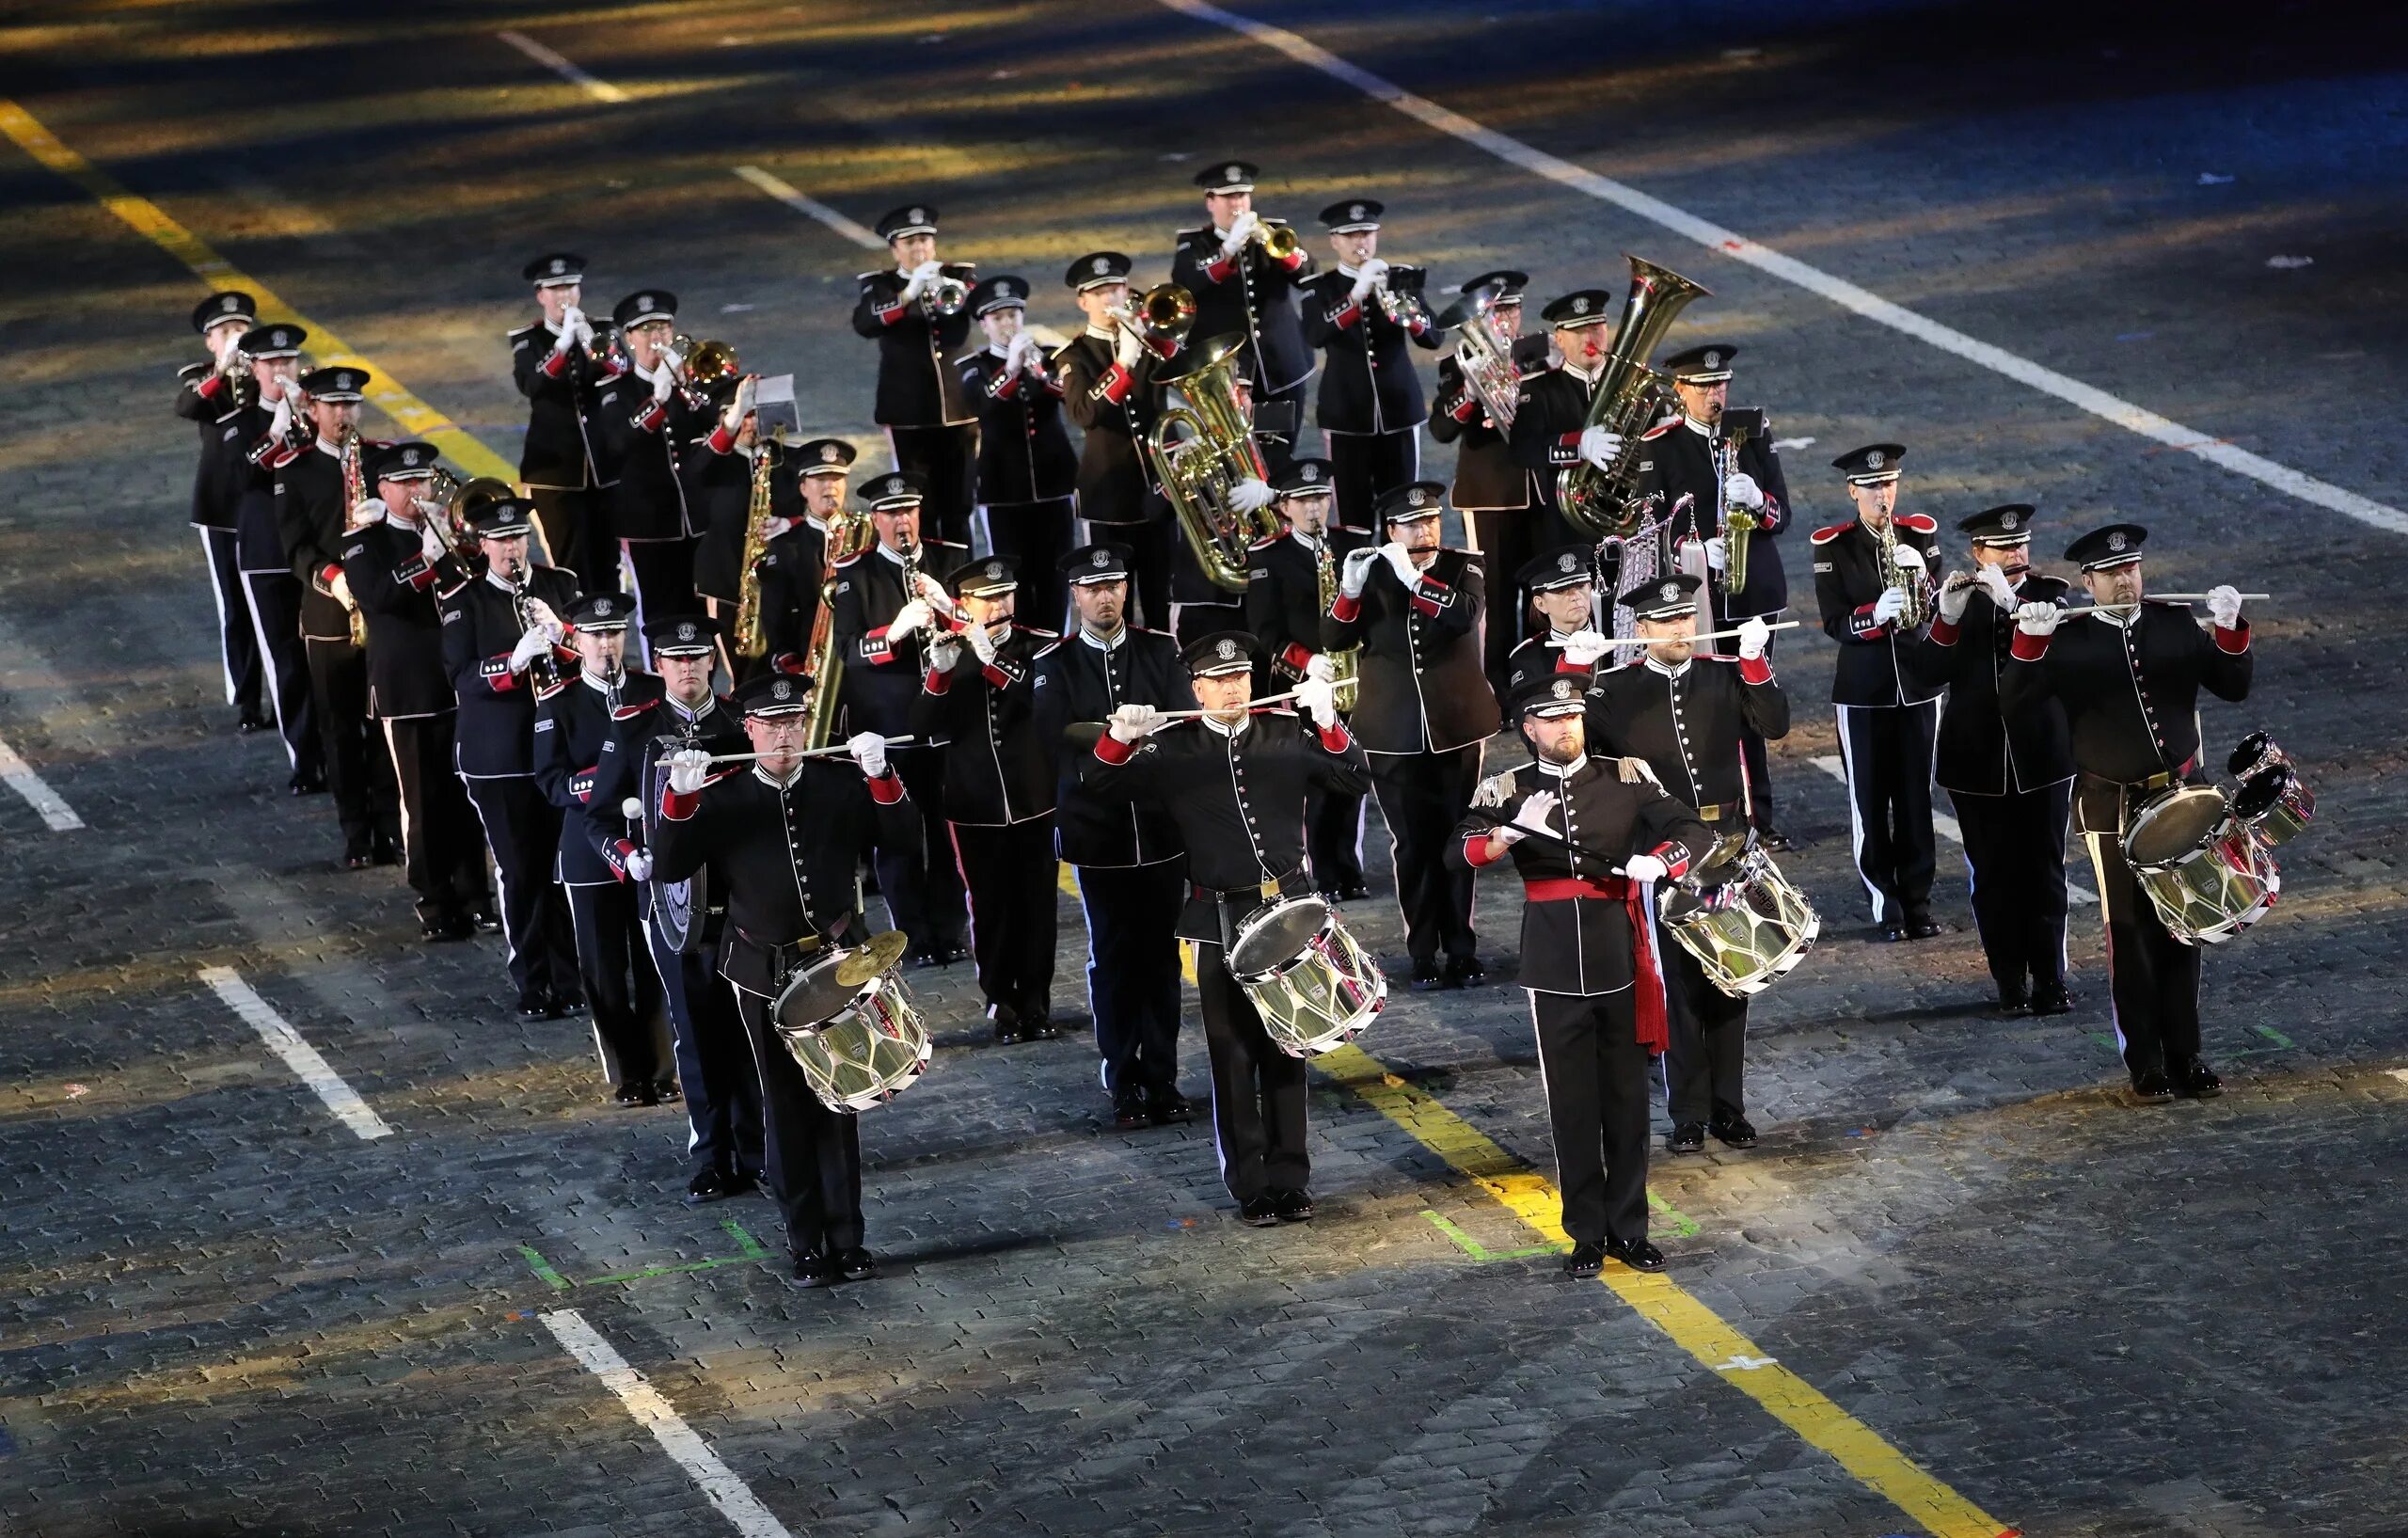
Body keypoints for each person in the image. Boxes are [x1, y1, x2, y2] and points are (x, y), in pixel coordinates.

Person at [1083, 632, 1366, 1225]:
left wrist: (1328, 721)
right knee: (1232, 1054)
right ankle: (1251, 1183)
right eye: (1218, 680)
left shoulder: (1285, 733)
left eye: (1239, 677)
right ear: (1197, 688)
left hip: (1289, 908)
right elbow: (1099, 790)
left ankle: (1291, 1176)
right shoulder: (1174, 749)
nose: (1232, 687)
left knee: (1291, 1046)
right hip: (1220, 917)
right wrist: (1119, 739)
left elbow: (1351, 780)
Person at [654, 676, 921, 1286]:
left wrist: (882, 776)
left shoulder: (834, 783)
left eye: (793, 723)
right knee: (785, 1106)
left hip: (837, 964)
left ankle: (848, 1237)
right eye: (770, 725)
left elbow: (904, 841)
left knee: (839, 1102)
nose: (783, 736)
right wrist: (679, 798)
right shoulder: (723, 797)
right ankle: (805, 1242)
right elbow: (669, 865)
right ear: (748, 730)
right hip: (760, 971)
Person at [1455, 673, 1713, 1276]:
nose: (1567, 727)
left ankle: (1630, 1227)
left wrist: (1661, 861)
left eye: (1572, 716)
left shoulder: (1623, 779)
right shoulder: (1508, 791)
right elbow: (1459, 851)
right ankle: (1586, 1233)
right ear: (1530, 729)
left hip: (1617, 956)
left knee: (1626, 1101)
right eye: (1552, 719)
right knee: (1572, 1107)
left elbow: (1693, 831)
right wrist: (1510, 833)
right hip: (1549, 966)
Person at [2000, 525, 2252, 1103]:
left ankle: (2186, 1055)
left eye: (2132, 569)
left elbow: (2233, 684)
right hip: (2113, 806)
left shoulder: (2172, 623)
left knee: (2185, 926)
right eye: (2112, 574)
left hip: (2182, 799)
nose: (2125, 581)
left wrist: (2231, 630)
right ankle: (2146, 1062)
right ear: (2088, 582)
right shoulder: (2070, 639)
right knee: (2130, 934)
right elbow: (2014, 705)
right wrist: (2028, 645)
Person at [1584, 575, 1788, 1152]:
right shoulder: (1616, 690)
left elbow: (1775, 724)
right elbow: (1554, 739)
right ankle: (1688, 1114)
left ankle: (1729, 1107)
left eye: (1686, 618)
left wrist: (1755, 663)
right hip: (1662, 852)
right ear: (1641, 630)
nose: (1680, 629)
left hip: (1725, 849)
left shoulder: (1724, 671)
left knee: (1732, 979)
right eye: (1666, 622)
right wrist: (1577, 674)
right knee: (1676, 988)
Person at [586, 613, 765, 1204]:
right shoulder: (634, 729)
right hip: (669, 905)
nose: (688, 667)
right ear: (657, 664)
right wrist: (627, 856)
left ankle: (758, 1147)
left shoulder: (744, 725)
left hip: (739, 901)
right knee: (692, 1030)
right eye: (675, 658)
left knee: (745, 1027)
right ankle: (713, 1153)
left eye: (697, 657)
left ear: (712, 661)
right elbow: (601, 817)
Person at [1032, 544, 1197, 1127]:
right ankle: (1124, 1076)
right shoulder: (1055, 666)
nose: (1105, 596)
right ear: (1075, 595)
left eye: (1115, 586)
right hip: (1099, 839)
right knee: (1114, 961)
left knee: (1162, 961)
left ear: (1126, 590)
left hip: (1159, 834)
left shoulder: (1160, 651)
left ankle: (1164, 1077)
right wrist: (1120, 737)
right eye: (1093, 587)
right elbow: (1055, 742)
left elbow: (1182, 727)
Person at [1323, 483, 1500, 991]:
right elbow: (1334, 639)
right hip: (1391, 729)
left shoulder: (1463, 565)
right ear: (1391, 531)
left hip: (1456, 725)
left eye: (1431, 522)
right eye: (1412, 525)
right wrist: (1350, 592)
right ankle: (1422, 950)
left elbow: (1462, 617)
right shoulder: (1374, 573)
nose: (1425, 532)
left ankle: (1461, 948)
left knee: (1458, 836)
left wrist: (1416, 582)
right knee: (1412, 846)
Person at [1914, 505, 2077, 1015]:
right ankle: (2010, 981)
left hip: (2041, 760)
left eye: (2022, 545)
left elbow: (2057, 663)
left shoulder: (2050, 595)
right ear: (1978, 553)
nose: (2017, 554)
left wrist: (2013, 606)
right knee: (1993, 876)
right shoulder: (1959, 602)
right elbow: (1926, 674)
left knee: (2046, 871)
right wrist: (1946, 619)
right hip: (1977, 763)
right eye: (2005, 548)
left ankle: (2050, 979)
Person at [1636, 343, 1796, 848]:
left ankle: (1761, 819)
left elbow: (1782, 516)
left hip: (1754, 593)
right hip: (1698, 598)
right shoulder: (1661, 445)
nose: (1715, 395)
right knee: (1705, 705)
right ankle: (1708, 815)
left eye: (1721, 385)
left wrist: (1759, 500)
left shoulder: (1752, 433)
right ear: (1680, 391)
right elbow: (1649, 532)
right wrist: (1698, 550)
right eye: (1704, 387)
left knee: (1754, 701)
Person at [340, 442, 491, 940]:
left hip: (457, 685)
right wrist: (428, 559)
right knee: (423, 803)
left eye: (422, 481)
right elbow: (379, 597)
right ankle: (435, 899)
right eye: (405, 484)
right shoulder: (365, 543)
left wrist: (457, 547)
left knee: (469, 796)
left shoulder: (449, 536)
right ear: (383, 490)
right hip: (408, 691)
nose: (416, 491)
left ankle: (477, 895)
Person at [440, 498, 582, 1019]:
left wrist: (564, 634)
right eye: (500, 541)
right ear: (483, 547)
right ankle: (532, 979)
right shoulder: (464, 601)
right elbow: (461, 677)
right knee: (521, 871)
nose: (511, 549)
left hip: (560, 749)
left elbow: (596, 657)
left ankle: (571, 977)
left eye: (518, 538)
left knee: (563, 868)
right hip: (500, 756)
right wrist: (514, 659)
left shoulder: (559, 586)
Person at [534, 591, 677, 1104]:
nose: (606, 644)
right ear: (578, 639)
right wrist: (609, 782)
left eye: (614, 633)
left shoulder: (651, 690)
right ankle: (627, 1072)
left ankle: (663, 1067)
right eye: (596, 635)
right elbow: (551, 782)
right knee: (602, 968)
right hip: (591, 850)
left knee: (656, 961)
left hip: (651, 842)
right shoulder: (560, 701)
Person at [913, 557, 1062, 1041]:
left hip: (1033, 798)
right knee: (991, 905)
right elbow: (924, 727)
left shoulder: (1037, 646)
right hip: (973, 803)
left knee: (1037, 904)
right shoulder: (952, 650)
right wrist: (938, 674)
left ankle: (1037, 1001)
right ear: (967, 604)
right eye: (988, 599)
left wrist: (992, 659)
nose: (1000, 605)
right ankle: (1002, 999)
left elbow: (1038, 705)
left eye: (1006, 596)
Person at [828, 471, 969, 966]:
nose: (902, 522)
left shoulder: (951, 558)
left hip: (948, 718)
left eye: (908, 511)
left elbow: (983, 630)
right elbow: (846, 649)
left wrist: (949, 609)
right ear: (875, 520)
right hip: (890, 723)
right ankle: (911, 934)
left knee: (950, 832)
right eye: (891, 514)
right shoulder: (854, 573)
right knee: (899, 837)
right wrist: (892, 632)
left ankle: (953, 929)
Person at [1813, 443, 1942, 939]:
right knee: (1869, 802)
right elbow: (1833, 621)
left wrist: (1923, 580)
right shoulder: (1833, 547)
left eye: (1887, 484)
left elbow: (1936, 610)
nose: (1881, 494)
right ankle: (1886, 904)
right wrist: (1873, 615)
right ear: (1852, 492)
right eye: (1870, 487)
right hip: (1863, 692)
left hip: (1917, 687)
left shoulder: (1918, 535)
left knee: (1915, 800)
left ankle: (1919, 901)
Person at [272, 364, 399, 868]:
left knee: (384, 727)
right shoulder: (295, 469)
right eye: (334, 406)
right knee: (341, 728)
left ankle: (391, 826)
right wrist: (335, 579)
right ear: (313, 410)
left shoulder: (381, 462)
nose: (344, 414)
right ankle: (356, 833)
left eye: (351, 405)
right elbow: (295, 548)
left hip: (383, 610)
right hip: (330, 615)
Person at [1244, 458, 1370, 901]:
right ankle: (1324, 871)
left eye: (1320, 498)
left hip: (1354, 678)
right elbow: (1264, 631)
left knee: (1353, 774)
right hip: (1306, 682)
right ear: (1285, 506)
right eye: (1304, 501)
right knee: (1317, 779)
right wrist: (1306, 661)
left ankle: (1350, 867)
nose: (1315, 509)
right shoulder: (1269, 556)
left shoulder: (1353, 544)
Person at [1429, 270, 1550, 698]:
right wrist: (1472, 393)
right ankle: (1498, 692)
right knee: (1495, 600)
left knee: (1547, 594)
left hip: (1542, 491)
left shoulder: (1541, 356)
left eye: (1511, 308)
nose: (1505, 318)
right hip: (1490, 496)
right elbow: (1441, 429)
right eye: (1496, 310)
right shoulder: (1456, 364)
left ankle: (1546, 684)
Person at [1054, 251, 1182, 629]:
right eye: (1100, 292)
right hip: (1109, 500)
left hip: (1160, 491)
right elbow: (1083, 413)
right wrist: (1123, 363)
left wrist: (1153, 340)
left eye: (1117, 288)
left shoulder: (1152, 343)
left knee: (1164, 597)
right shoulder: (1074, 356)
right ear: (1084, 301)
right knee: (1111, 608)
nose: (1111, 298)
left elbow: (1187, 373)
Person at [1295, 198, 1438, 532]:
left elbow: (1433, 337)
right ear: (1334, 240)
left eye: (1367, 233)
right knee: (1352, 518)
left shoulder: (1401, 279)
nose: (1360, 242)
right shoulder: (1320, 288)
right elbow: (1315, 334)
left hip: (1399, 411)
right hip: (1347, 416)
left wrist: (1408, 314)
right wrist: (1354, 297)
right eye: (1351, 235)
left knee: (1403, 514)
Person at [1169, 161, 1313, 477]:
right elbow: (1187, 282)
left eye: (1242, 196)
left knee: (1281, 458)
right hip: (1227, 373)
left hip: (1281, 369)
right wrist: (1227, 251)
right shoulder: (1194, 244)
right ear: (1210, 202)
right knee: (1234, 461)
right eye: (1228, 197)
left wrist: (1277, 249)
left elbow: (1306, 276)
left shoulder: (1273, 233)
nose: (1237, 204)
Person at [231, 322, 325, 792]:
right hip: (268, 556)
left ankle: (338, 752)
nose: (281, 370)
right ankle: (305, 759)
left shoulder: (317, 414)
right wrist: (279, 426)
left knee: (328, 658)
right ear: (254, 370)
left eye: (288, 361)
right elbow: (243, 478)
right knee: (286, 662)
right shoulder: (240, 423)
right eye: (271, 363)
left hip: (315, 553)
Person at [851, 203, 978, 546]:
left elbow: (983, 310)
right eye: (910, 242)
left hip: (959, 410)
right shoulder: (881, 285)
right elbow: (865, 323)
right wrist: (907, 294)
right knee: (921, 504)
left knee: (960, 504)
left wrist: (951, 286)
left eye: (924, 240)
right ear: (895, 250)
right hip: (909, 413)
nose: (919, 248)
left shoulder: (960, 275)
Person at [958, 276, 1077, 629]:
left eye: (1013, 315)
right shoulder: (973, 367)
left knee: (1057, 576)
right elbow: (984, 406)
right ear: (983, 325)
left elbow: (1069, 394)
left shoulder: (1046, 357)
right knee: (1011, 581)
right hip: (1002, 491)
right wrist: (1010, 368)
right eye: (998, 318)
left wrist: (1038, 367)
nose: (1008, 324)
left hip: (1054, 484)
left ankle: (1056, 646)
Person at [175, 290, 267, 732]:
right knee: (235, 606)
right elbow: (190, 407)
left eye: (241, 330)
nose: (234, 338)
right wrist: (223, 370)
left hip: (268, 503)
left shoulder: (266, 374)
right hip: (221, 510)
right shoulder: (200, 379)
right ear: (210, 342)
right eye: (225, 332)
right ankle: (248, 700)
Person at [592, 289, 706, 640]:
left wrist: (689, 390)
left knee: (706, 613)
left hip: (699, 519)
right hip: (650, 524)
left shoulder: (690, 381)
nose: (656, 338)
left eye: (663, 328)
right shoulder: (615, 389)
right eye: (646, 330)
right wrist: (657, 399)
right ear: (629, 338)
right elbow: (618, 442)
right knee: (660, 615)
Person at [681, 369, 801, 679]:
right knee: (743, 672)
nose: (751, 424)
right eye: (743, 416)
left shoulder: (789, 459)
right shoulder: (709, 457)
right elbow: (695, 473)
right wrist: (732, 419)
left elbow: (817, 510)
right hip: (726, 581)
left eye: (755, 414)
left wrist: (790, 522)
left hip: (781, 580)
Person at [508, 252, 612, 589]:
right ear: (540, 295)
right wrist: (564, 343)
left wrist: (585, 340)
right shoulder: (528, 340)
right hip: (554, 475)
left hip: (604, 469)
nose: (563, 296)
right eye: (555, 289)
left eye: (569, 287)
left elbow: (622, 374)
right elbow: (531, 384)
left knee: (607, 563)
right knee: (570, 567)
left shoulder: (602, 331)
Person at [1506, 290, 1624, 553]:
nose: (1589, 338)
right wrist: (1578, 445)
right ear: (1559, 339)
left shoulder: (1634, 386)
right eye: (1578, 332)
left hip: (1626, 523)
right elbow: (1522, 449)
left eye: (1595, 328)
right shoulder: (1540, 389)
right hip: (1566, 528)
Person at [754, 437, 860, 675]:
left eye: (837, 478)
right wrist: (793, 666)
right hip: (810, 660)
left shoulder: (865, 535)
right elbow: (775, 618)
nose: (830, 487)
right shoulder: (786, 546)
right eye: (821, 479)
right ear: (803, 488)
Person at [1502, 546, 1609, 694]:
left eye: (1580, 586)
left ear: (1590, 587)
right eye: (1561, 591)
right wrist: (1573, 665)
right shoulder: (1528, 659)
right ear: (1540, 603)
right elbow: (1528, 713)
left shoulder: (1614, 638)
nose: (1574, 596)